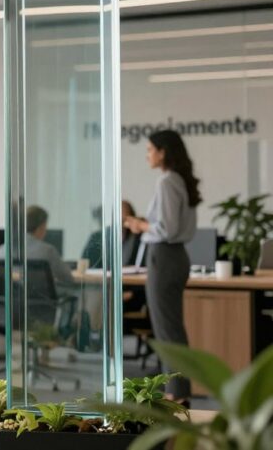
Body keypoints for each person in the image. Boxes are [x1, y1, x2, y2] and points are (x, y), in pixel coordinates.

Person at [125, 130, 201, 404]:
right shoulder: (180, 180)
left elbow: (166, 229)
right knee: (172, 327)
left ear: (163, 151)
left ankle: (176, 393)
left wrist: (140, 225)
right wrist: (148, 225)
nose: (147, 155)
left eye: (149, 150)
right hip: (176, 255)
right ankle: (178, 390)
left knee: (167, 329)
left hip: (164, 256)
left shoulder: (167, 182)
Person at [0, 205, 75, 292]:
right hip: (41, 302)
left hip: (8, 304)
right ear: (42, 226)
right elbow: (68, 278)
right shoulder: (48, 251)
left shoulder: (1, 250)